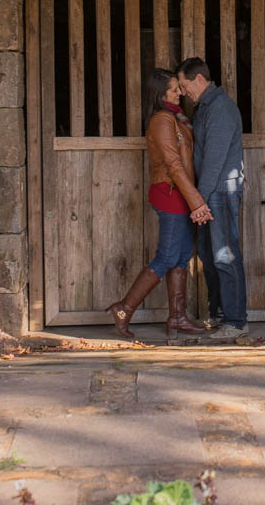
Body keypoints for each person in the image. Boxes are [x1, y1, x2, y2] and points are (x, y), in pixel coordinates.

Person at [106, 68, 211, 340]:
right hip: (171, 193)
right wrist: (197, 201)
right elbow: (174, 165)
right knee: (166, 256)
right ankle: (124, 308)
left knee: (182, 255)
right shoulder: (163, 120)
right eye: (174, 89)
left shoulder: (176, 118)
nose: (180, 93)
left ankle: (177, 318)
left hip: (181, 193)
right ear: (159, 92)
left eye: (179, 88)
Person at [176, 57, 247, 340]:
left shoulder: (220, 109)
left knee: (225, 256)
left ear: (199, 80)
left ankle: (236, 321)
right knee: (208, 254)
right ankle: (219, 314)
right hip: (208, 194)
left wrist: (198, 201)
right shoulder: (205, 107)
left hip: (219, 192)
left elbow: (215, 160)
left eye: (183, 86)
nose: (182, 92)